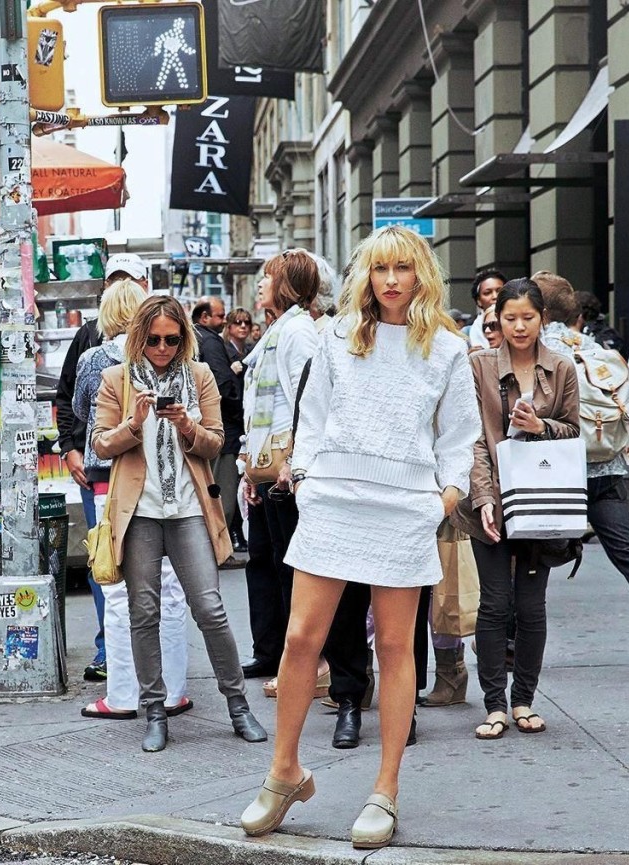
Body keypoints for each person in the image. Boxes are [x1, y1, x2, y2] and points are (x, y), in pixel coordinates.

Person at [240, 226, 479, 848]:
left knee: (396, 648)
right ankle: (284, 772)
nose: (392, 280)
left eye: (403, 268)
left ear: (421, 273)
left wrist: (443, 499)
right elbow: (310, 417)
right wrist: (313, 478)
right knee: (299, 640)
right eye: (381, 270)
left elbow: (459, 438)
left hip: (405, 508)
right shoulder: (338, 337)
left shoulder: (448, 349)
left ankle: (386, 788)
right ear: (365, 276)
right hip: (336, 502)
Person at [92, 295, 266, 752]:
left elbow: (216, 444)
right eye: (153, 340)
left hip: (189, 510)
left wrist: (187, 425)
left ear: (184, 338)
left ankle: (238, 705)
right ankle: (155, 711)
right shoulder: (117, 380)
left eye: (172, 339)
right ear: (139, 338)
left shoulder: (201, 375)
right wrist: (135, 423)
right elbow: (101, 445)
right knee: (143, 613)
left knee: (210, 609)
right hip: (140, 515)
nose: (163, 348)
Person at [532, 271, 629, 681]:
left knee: (535, 558)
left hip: (555, 470)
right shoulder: (591, 347)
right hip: (604, 469)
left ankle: (514, 644)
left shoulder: (536, 351)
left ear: (539, 310)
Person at [457, 278, 580, 741]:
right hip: (489, 501)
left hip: (541, 502)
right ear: (497, 320)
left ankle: (524, 699)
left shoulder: (562, 368)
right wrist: (485, 498)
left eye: (528, 317)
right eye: (510, 318)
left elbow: (573, 432)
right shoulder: (478, 367)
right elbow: (471, 439)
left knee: (530, 606)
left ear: (543, 318)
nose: (520, 326)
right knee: (494, 603)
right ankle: (494, 705)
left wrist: (541, 426)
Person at [73, 279, 193, 721]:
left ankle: (125, 692)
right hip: (168, 483)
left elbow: (87, 420)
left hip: (114, 479)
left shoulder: (98, 363)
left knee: (120, 589)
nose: (162, 345)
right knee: (172, 589)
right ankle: (173, 690)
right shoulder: (184, 366)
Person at [56, 252, 151, 682]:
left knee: (142, 564)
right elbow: (68, 402)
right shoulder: (87, 343)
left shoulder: (160, 344)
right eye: (113, 282)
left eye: (125, 282)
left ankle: (133, 657)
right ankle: (111, 651)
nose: (118, 290)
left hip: (129, 469)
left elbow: (77, 403)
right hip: (100, 468)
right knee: (107, 562)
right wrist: (70, 448)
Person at [236, 251, 323, 690]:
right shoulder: (275, 332)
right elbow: (259, 408)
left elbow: (306, 402)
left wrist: (290, 462)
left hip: (288, 471)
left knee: (290, 567)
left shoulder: (298, 333)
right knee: (264, 561)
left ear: (286, 283)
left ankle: (297, 661)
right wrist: (249, 468)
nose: (260, 285)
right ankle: (269, 652)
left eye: (267, 278)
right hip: (266, 469)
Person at [191, 297, 243, 567]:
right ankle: (218, 552)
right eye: (220, 316)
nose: (224, 321)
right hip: (223, 430)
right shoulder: (209, 341)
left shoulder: (199, 339)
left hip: (211, 428)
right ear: (204, 317)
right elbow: (222, 383)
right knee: (222, 495)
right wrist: (238, 409)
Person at [224, 308, 252, 551]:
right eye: (238, 323)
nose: (242, 326)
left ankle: (238, 532)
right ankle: (233, 532)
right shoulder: (226, 350)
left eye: (246, 323)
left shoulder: (251, 350)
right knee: (231, 483)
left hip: (247, 423)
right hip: (233, 426)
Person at [466, 269, 506, 350]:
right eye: (487, 293)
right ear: (479, 301)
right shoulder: (466, 334)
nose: (495, 296)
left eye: (500, 291)